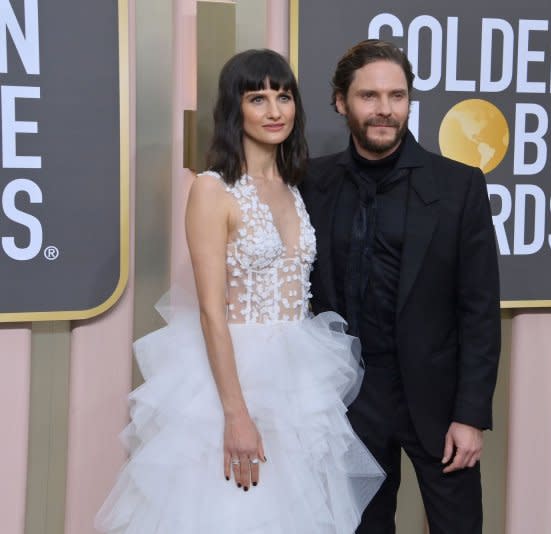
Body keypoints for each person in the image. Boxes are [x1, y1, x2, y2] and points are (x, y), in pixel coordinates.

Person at [95, 49, 383, 533]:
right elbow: (211, 312)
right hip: (235, 379)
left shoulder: (294, 185)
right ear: (235, 110)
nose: (274, 111)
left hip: (300, 374)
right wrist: (236, 415)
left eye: (283, 96)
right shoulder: (212, 190)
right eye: (258, 98)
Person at [300, 39, 501, 534]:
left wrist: (471, 416)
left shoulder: (459, 186)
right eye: (369, 96)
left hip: (438, 403)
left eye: (397, 95)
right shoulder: (310, 183)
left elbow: (479, 310)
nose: (385, 110)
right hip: (349, 401)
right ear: (341, 102)